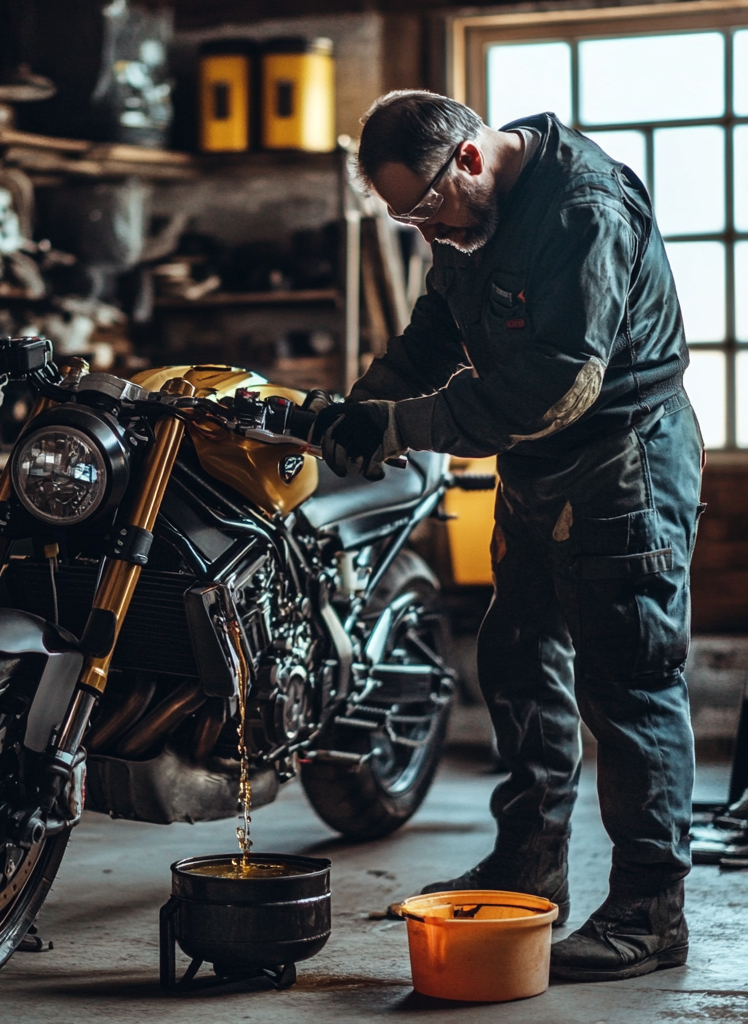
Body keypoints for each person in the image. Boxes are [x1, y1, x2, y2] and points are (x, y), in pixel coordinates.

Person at [311, 90, 705, 982]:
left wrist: (405, 429)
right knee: (520, 658)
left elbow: (553, 387)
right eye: (403, 217)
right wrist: (360, 409)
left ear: (470, 160)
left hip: (623, 462)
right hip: (536, 469)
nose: (426, 231)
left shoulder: (581, 209)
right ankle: (531, 861)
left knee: (629, 681)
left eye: (426, 208)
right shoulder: (466, 226)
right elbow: (435, 336)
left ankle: (651, 911)